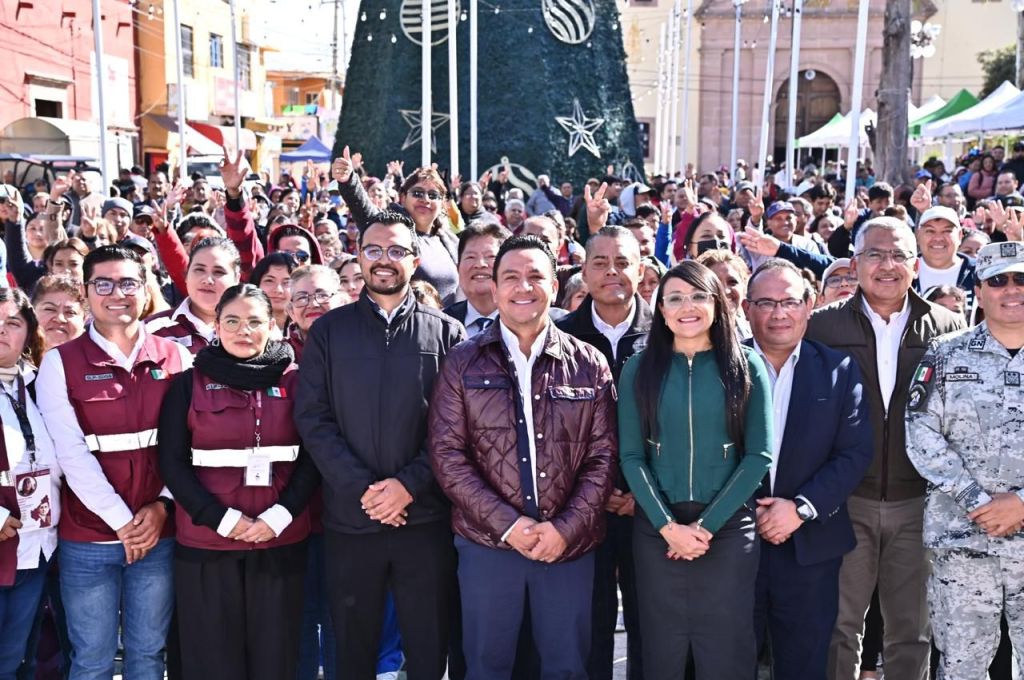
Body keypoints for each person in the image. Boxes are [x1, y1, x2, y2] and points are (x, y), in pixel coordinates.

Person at [430, 235, 617, 680]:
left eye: (535, 276)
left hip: (568, 548)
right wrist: (510, 526)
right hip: (488, 546)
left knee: (567, 667)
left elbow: (603, 457)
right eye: (511, 277)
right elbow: (447, 455)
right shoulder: (462, 362)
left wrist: (565, 529)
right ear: (493, 289)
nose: (523, 287)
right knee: (487, 668)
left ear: (555, 285)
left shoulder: (589, 363)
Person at [295, 211, 466, 680]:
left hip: (423, 520)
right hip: (352, 522)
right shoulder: (329, 332)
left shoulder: (447, 332)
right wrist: (365, 491)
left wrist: (407, 487)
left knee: (429, 652)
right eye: (373, 250)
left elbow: (454, 428)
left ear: (414, 259)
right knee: (353, 652)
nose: (383, 261)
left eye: (395, 251)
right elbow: (313, 418)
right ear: (359, 257)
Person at [803, 217, 964, 680]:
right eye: (875, 254)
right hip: (846, 500)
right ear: (855, 263)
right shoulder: (823, 327)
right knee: (840, 626)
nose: (887, 265)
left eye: (898, 255)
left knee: (911, 630)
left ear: (915, 264)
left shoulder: (949, 328)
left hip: (920, 502)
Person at [36, 245, 193, 680]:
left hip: (157, 535)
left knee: (148, 656)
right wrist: (124, 523)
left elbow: (188, 445)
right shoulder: (60, 362)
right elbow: (71, 454)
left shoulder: (176, 357)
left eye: (128, 283)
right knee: (92, 661)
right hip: (88, 540)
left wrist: (161, 508)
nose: (116, 293)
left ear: (146, 291)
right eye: (103, 283)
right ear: (87, 293)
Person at [618, 260, 773, 678]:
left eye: (699, 295)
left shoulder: (747, 366)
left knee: (726, 649)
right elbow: (631, 457)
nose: (688, 306)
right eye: (675, 298)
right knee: (661, 650)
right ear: (662, 311)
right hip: (657, 532)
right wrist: (668, 527)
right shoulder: (638, 369)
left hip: (725, 532)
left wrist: (705, 527)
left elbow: (758, 456)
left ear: (718, 304)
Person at [157, 284, 319, 680]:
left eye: (254, 321)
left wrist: (277, 518)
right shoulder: (187, 384)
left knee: (275, 658)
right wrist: (223, 520)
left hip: (279, 540)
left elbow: (315, 458)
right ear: (216, 325)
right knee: (212, 660)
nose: (242, 330)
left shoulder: (300, 382)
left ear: (273, 326)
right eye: (232, 320)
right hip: (206, 544)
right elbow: (172, 463)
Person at [743, 260, 873, 680]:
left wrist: (799, 509)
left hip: (810, 546)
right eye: (766, 303)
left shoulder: (838, 370)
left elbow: (853, 453)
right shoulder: (721, 365)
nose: (779, 313)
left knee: (805, 665)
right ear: (747, 308)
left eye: (790, 302)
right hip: (732, 543)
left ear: (809, 305)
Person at [906, 241, 1024, 679]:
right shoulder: (945, 353)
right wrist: (977, 500)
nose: (1011, 289)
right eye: (999, 280)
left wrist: (1021, 503)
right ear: (979, 289)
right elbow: (920, 432)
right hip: (964, 541)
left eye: (1021, 279)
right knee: (961, 667)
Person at [554, 226, 651, 680]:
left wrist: (640, 492)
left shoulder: (669, 332)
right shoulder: (559, 337)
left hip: (652, 508)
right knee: (585, 631)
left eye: (623, 263)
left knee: (650, 629)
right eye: (600, 263)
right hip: (579, 509)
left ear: (642, 270)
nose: (612, 272)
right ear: (583, 272)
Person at [0, 289, 62, 679]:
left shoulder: (40, 382)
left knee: (13, 657)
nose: (1, 331)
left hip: (36, 546)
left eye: (12, 323)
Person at [332, 148, 460, 305]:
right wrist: (349, 181)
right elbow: (364, 210)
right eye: (418, 193)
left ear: (442, 203)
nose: (425, 199)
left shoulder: (450, 240)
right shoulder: (392, 231)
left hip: (450, 326)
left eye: (433, 195)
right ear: (403, 197)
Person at [146, 238, 242, 353]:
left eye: (218, 272)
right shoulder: (151, 330)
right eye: (199, 270)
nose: (207, 280)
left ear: (237, 279)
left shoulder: (252, 329)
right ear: (186, 275)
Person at [443, 222, 512, 336]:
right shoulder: (441, 324)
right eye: (470, 257)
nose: (480, 264)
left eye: (491, 256)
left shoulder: (528, 320)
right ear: (458, 268)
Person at [912, 206, 977, 309]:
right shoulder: (905, 272)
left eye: (947, 231)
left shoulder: (979, 272)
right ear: (918, 236)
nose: (938, 238)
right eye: (930, 231)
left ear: (960, 236)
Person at [31, 275, 87, 351]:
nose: (60, 319)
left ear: (84, 320)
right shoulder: (11, 361)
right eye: (50, 309)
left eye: (70, 312)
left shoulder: (101, 361)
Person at [250, 252, 299, 335]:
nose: (278, 290)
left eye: (287, 282)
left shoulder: (307, 331)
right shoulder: (245, 329)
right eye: (269, 281)